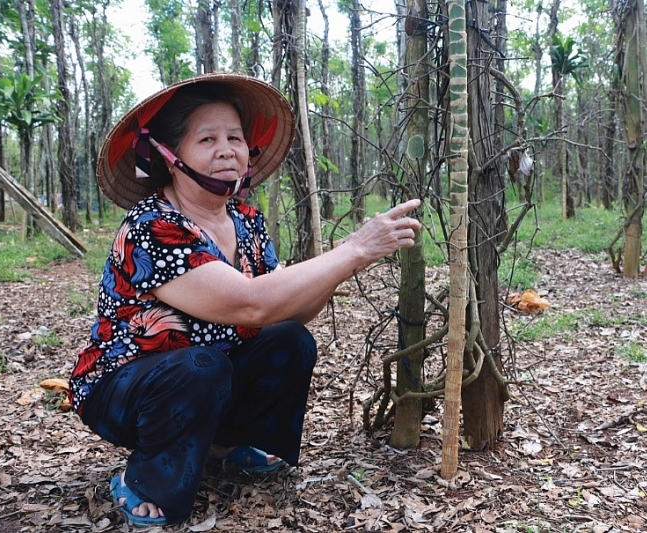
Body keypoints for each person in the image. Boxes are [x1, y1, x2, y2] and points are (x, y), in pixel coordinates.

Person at [68, 73, 421, 528]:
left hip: (207, 375)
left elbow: (287, 313)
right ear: (169, 156)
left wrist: (346, 265)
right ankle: (145, 481)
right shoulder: (153, 225)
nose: (226, 150)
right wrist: (350, 249)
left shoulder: (247, 221)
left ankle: (222, 446)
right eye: (207, 138)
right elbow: (251, 304)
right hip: (126, 387)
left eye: (234, 137)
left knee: (290, 340)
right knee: (201, 366)